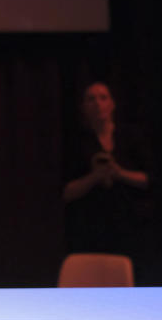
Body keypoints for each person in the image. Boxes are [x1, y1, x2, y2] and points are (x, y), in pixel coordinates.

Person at [62, 82, 152, 265]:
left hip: (131, 226)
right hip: (90, 230)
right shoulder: (77, 143)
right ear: (83, 108)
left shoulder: (131, 136)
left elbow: (149, 180)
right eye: (91, 99)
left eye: (103, 98)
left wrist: (119, 173)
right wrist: (94, 177)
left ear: (112, 104)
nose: (97, 104)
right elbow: (66, 192)